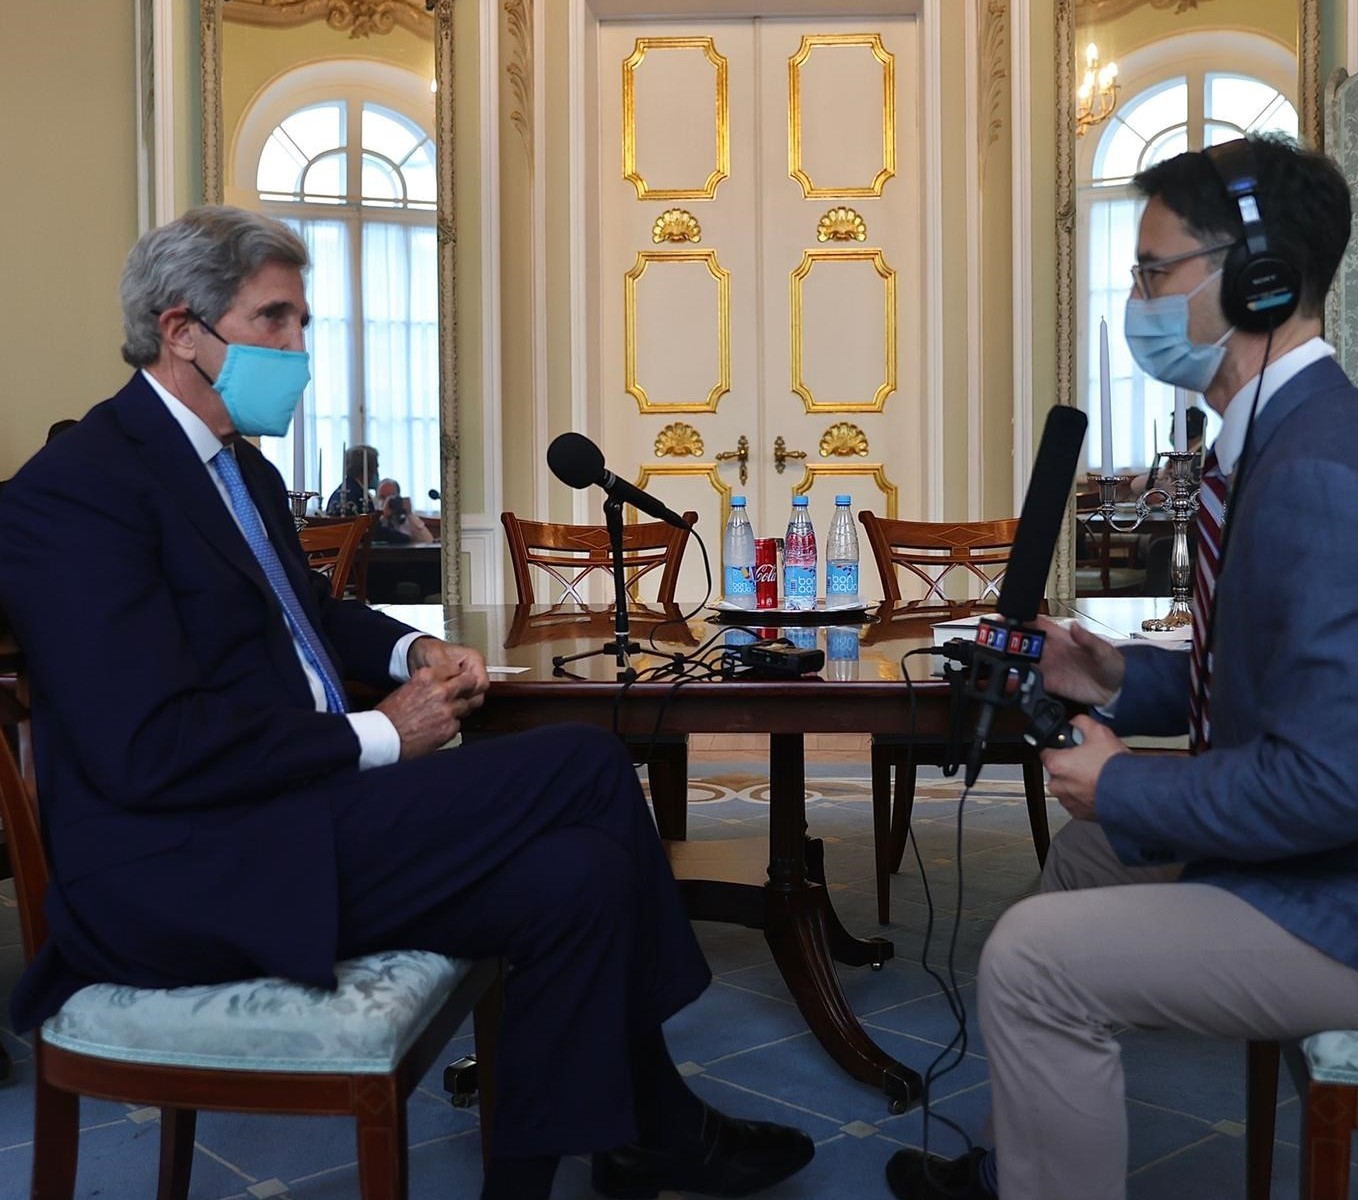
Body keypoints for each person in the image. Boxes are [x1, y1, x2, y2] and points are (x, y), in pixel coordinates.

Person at [0, 206, 813, 1200]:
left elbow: (310, 617)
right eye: (277, 320)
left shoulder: (236, 468)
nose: (301, 349)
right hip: (179, 864)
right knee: (583, 760)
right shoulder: (76, 489)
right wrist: (383, 733)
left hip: (283, 818)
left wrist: (413, 645)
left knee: (579, 876)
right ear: (181, 332)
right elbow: (146, 749)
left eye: (302, 322)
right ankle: (663, 1122)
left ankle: (592, 1156)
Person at [886, 136, 1358, 1200]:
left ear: (1255, 279)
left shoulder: (1320, 477)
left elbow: (1329, 783)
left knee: (1030, 960)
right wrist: (1118, 681)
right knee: (1083, 866)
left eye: (1154, 272)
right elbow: (1282, 682)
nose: (1136, 298)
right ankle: (1024, 1165)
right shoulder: (1284, 440)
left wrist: (1120, 779)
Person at [376, 476, 436, 544]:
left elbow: (428, 540)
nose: (386, 501)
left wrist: (410, 515)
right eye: (382, 497)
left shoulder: (406, 519)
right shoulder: (375, 521)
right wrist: (384, 516)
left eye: (390, 497)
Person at [326, 443, 380, 517]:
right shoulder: (361, 498)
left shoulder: (338, 492)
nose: (377, 473)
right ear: (367, 470)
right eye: (376, 468)